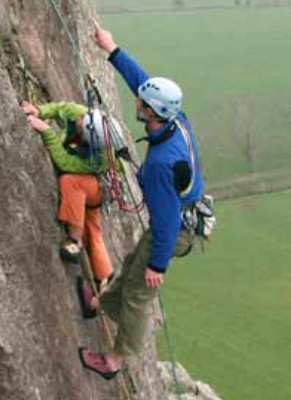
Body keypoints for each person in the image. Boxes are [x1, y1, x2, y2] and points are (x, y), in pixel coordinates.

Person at [77, 21, 205, 380]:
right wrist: (112, 49)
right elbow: (143, 82)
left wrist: (159, 266)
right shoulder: (173, 118)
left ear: (151, 112)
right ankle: (99, 304)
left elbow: (165, 225)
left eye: (142, 103)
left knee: (139, 292)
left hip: (174, 228)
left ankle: (115, 361)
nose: (137, 100)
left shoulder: (163, 166)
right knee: (133, 261)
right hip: (176, 219)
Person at [23, 100, 114, 288]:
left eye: (81, 129)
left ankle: (74, 240)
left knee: (71, 182)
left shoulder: (100, 157)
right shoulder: (85, 115)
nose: (78, 122)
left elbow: (65, 163)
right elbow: (62, 108)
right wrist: (39, 110)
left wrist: (47, 132)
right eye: (80, 121)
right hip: (94, 186)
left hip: (97, 187)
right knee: (93, 229)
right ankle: (105, 277)